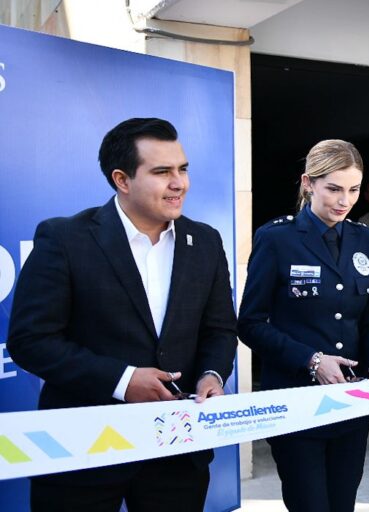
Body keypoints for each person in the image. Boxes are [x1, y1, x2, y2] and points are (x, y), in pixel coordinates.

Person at [7, 117, 238, 511]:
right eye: (162, 172)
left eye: (182, 169)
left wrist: (212, 375)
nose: (179, 183)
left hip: (178, 452)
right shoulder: (65, 239)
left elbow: (219, 328)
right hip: (82, 453)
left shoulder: (205, 241)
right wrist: (122, 380)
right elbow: (31, 342)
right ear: (122, 179)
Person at [237, 139, 369, 511]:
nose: (345, 201)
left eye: (353, 190)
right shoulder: (276, 238)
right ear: (308, 183)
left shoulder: (365, 240)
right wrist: (311, 360)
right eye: (334, 189)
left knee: (342, 504)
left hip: (350, 406)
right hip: (296, 404)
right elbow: (251, 323)